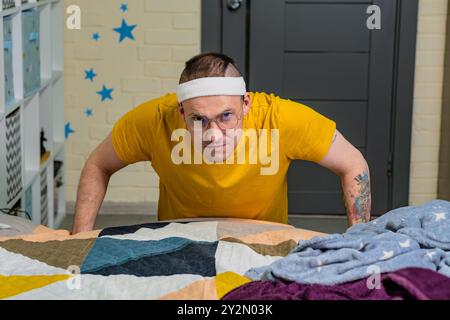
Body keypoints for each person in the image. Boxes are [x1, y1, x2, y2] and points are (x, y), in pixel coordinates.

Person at [72, 52, 371, 234]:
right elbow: (99, 164)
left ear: (246, 104)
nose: (213, 133)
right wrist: (78, 240)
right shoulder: (153, 120)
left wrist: (361, 238)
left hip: (261, 237)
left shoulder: (280, 118)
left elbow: (352, 164)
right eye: (198, 119)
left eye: (226, 116)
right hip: (180, 237)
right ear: (180, 112)